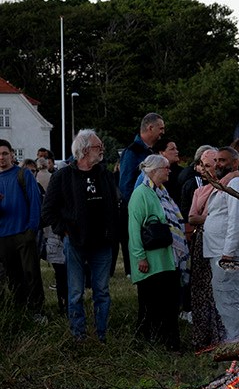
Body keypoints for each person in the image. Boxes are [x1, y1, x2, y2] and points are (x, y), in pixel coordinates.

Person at [41, 129, 120, 341]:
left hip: (102, 243)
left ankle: (101, 334)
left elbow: (114, 206)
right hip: (75, 242)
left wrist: (113, 232)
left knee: (101, 291)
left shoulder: (104, 174)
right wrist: (64, 231)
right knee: (75, 292)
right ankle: (79, 334)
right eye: (98, 147)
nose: (102, 150)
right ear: (84, 150)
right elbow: (48, 211)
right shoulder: (63, 176)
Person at [128, 154, 186, 350]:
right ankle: (144, 343)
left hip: (167, 258)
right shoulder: (141, 194)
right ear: (153, 171)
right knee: (150, 306)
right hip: (151, 261)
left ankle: (171, 343)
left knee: (169, 304)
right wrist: (139, 257)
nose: (169, 171)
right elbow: (134, 229)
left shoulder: (161, 192)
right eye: (166, 168)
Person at [204, 147, 239, 341]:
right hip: (217, 249)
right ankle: (232, 339)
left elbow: (236, 219)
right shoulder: (224, 183)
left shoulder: (237, 183)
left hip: (226, 252)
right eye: (216, 161)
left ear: (235, 163)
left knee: (228, 298)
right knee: (223, 298)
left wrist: (228, 253)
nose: (218, 164)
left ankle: (237, 341)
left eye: (223, 161)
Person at [184, 147, 225, 347]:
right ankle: (202, 336)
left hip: (219, 241)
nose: (211, 169)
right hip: (201, 241)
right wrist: (208, 218)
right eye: (206, 165)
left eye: (214, 164)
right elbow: (191, 217)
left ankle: (220, 335)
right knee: (200, 287)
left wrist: (206, 218)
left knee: (218, 287)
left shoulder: (225, 186)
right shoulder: (199, 190)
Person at [0, 139, 44, 315]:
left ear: (11, 154)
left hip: (23, 233)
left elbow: (35, 203)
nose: (1, 157)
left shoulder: (23, 175)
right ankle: (20, 311)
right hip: (3, 236)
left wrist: (31, 230)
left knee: (31, 275)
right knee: (13, 278)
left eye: (4, 153)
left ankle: (36, 311)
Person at [118, 112, 166, 275]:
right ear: (150, 128)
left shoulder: (149, 151)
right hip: (138, 212)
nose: (163, 133)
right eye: (161, 128)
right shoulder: (132, 152)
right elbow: (125, 185)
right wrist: (138, 207)